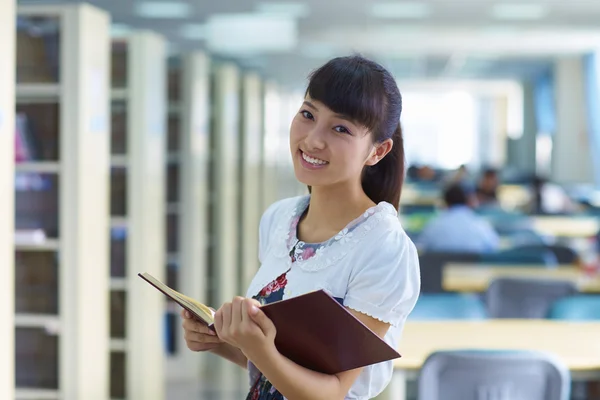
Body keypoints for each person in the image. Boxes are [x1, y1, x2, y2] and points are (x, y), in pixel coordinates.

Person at [181, 55, 420, 400]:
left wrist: (257, 348)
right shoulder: (280, 219)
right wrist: (221, 341)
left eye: (341, 128)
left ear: (378, 151)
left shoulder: (384, 247)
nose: (312, 140)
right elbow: (284, 364)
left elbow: (332, 391)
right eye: (308, 115)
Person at [416, 183, 500, 253]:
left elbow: (422, 248)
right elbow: (494, 246)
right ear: (469, 201)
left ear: (445, 202)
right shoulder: (480, 225)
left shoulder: (433, 225)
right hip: (473, 271)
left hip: (438, 272)